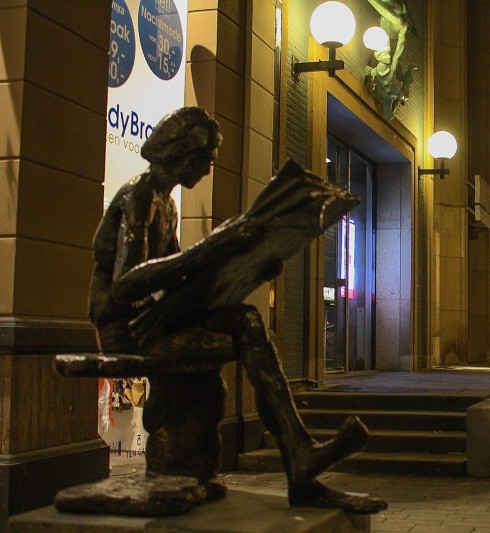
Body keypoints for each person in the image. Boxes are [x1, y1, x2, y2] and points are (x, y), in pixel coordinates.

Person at [89, 107, 385, 513]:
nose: (209, 169)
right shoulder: (141, 196)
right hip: (129, 329)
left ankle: (299, 456)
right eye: (206, 159)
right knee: (245, 326)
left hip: (153, 319)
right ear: (181, 152)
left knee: (245, 318)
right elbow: (125, 284)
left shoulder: (166, 203)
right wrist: (207, 251)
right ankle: (298, 456)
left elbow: (176, 280)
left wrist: (252, 261)